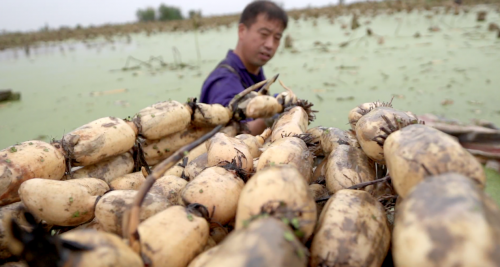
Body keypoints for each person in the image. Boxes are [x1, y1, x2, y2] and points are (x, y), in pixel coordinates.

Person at [199, 0, 288, 135]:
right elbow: (226, 138)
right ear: (242, 31)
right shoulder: (223, 81)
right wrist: (270, 118)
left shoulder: (255, 72)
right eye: (264, 34)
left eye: (277, 37)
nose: (270, 44)